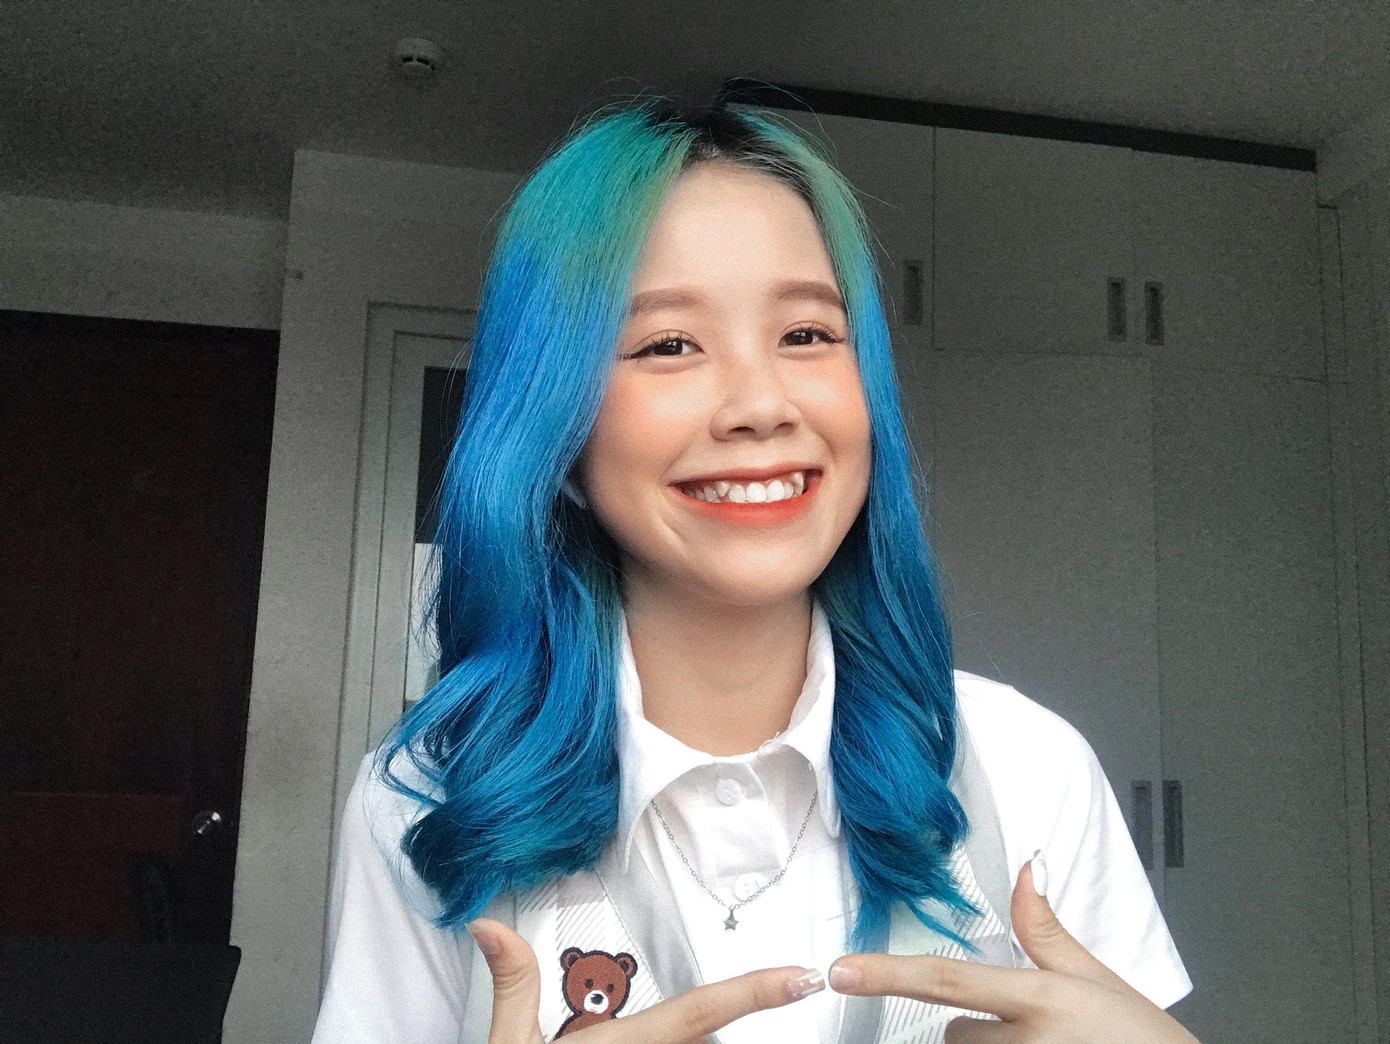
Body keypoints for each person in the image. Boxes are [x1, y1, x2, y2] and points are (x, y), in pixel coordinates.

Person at [311, 99, 1197, 1043]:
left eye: (806, 334)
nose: (761, 404)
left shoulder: (1027, 765)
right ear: (555, 430)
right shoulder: (428, 802)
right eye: (669, 345)